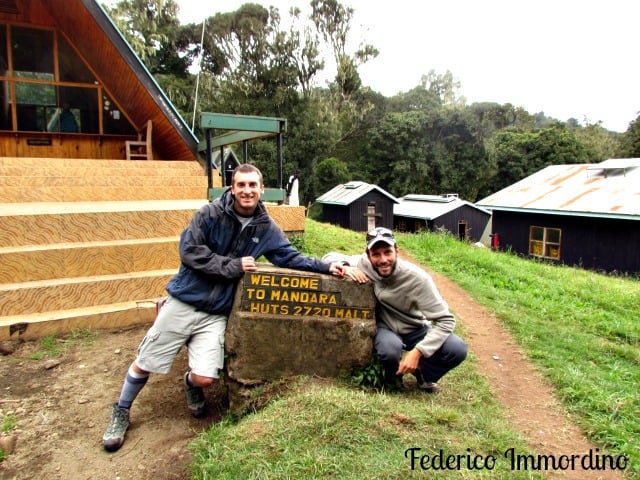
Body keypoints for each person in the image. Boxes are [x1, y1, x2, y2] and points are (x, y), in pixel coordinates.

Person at [102, 164, 346, 452]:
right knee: (145, 362)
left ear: (261, 189)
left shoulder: (265, 226)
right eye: (241, 185)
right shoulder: (209, 214)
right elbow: (190, 251)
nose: (247, 190)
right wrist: (233, 266)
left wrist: (326, 266)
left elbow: (289, 257)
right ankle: (121, 410)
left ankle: (191, 383)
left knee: (205, 378)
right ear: (232, 188)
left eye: (252, 185)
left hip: (217, 312)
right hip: (185, 300)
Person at [323, 227, 467, 393]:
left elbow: (446, 320)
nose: (383, 260)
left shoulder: (418, 279)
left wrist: (419, 351)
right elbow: (329, 256)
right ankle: (393, 377)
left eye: (388, 252)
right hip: (386, 327)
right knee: (389, 349)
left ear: (397, 251)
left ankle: (424, 373)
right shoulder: (365, 264)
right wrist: (346, 267)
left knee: (457, 349)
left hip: (415, 327)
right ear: (368, 255)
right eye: (376, 254)